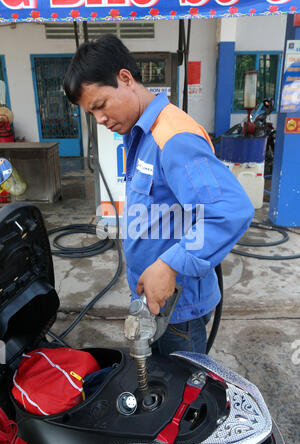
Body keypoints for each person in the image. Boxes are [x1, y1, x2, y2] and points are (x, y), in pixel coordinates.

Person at [63, 34, 254, 356]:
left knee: (182, 396)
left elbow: (230, 210)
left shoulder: (173, 138)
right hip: (155, 299)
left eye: (100, 106)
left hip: (178, 308)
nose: (100, 120)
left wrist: (169, 265)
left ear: (125, 79)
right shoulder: (142, 134)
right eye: (91, 113)